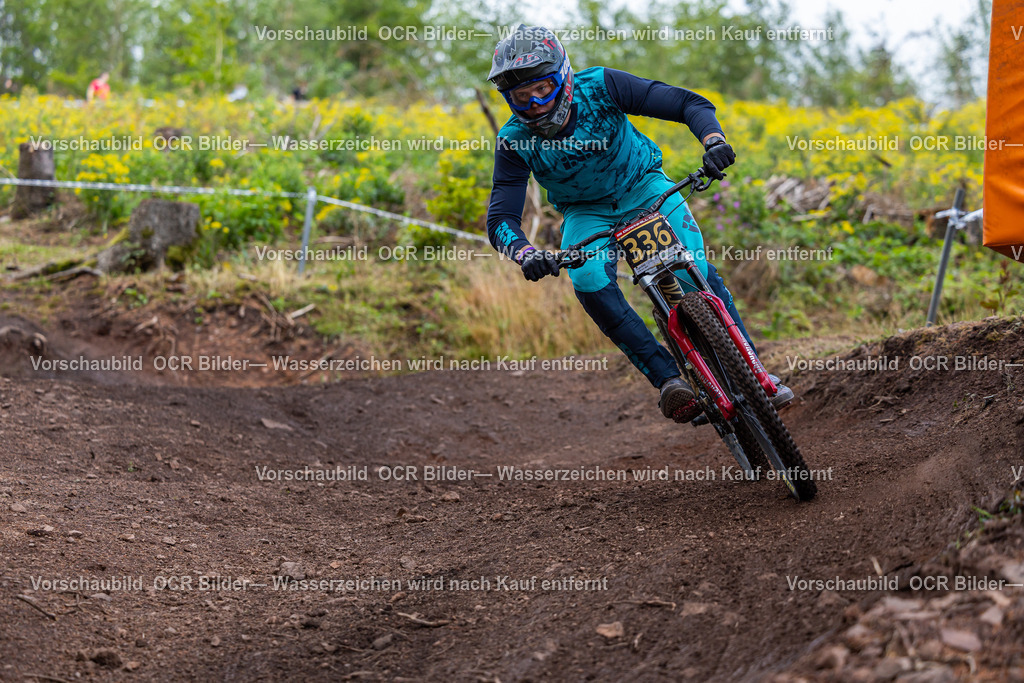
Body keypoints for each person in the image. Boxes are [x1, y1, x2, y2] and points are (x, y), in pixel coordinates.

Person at [485, 24, 793, 423]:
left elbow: (687, 103)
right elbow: (501, 218)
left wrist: (713, 141)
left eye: (542, 89)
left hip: (643, 186)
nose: (535, 105)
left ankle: (754, 370)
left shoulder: (602, 86)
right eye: (520, 97)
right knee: (589, 280)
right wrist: (525, 254)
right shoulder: (513, 140)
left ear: (563, 75)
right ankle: (668, 381)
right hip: (586, 212)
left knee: (694, 270)